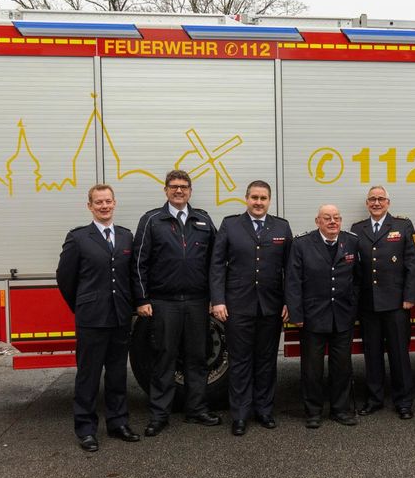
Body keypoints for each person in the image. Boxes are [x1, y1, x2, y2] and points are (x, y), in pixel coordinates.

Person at [132, 169, 220, 436]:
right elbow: (139, 262)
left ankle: (197, 409)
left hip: (197, 302)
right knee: (164, 358)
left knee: (197, 358)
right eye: (174, 186)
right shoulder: (152, 220)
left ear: (190, 191)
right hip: (164, 302)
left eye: (183, 186)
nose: (179, 190)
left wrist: (215, 297)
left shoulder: (203, 220)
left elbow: (216, 262)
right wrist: (142, 298)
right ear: (166, 190)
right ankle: (160, 414)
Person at [56, 184, 140, 452]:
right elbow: (66, 278)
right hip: (92, 318)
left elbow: (131, 276)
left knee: (117, 374)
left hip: (120, 317)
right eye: (98, 202)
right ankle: (86, 429)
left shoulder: (126, 237)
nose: (104, 206)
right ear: (89, 206)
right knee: (88, 376)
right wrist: (82, 305)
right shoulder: (78, 238)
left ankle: (117, 423)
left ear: (115, 203)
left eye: (108, 201)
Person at [210, 181, 293, 436]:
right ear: (246, 199)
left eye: (263, 198)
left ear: (270, 200)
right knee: (240, 361)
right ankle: (240, 415)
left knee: (267, 361)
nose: (258, 202)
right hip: (237, 306)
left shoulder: (281, 226)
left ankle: (265, 411)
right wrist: (218, 300)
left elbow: (290, 268)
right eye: (254, 197)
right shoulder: (230, 224)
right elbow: (216, 264)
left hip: (271, 306)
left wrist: (290, 301)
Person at [286, 204, 360, 429]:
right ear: (317, 221)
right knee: (312, 368)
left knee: (342, 366)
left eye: (336, 218)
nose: (332, 222)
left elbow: (357, 279)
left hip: (342, 317)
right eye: (327, 218)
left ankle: (340, 409)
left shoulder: (351, 242)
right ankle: (313, 412)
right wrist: (296, 314)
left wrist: (353, 308)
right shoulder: (301, 244)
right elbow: (293, 281)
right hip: (312, 317)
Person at [350, 186, 415, 420]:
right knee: (372, 354)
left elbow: (413, 264)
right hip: (368, 304)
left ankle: (404, 401)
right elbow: (355, 269)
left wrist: (410, 297)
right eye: (372, 199)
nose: (376, 203)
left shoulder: (402, 226)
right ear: (367, 203)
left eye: (381, 199)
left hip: (397, 304)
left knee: (399, 354)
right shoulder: (357, 229)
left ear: (388, 202)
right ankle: (374, 399)